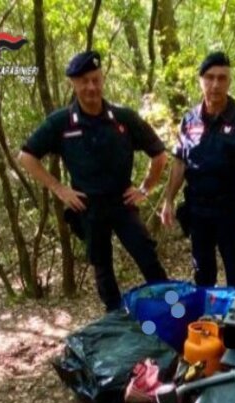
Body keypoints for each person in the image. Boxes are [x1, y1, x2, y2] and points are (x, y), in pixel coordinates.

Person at [18, 50, 169, 312]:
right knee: (103, 269)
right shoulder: (62, 122)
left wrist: (145, 188)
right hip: (88, 208)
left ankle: (172, 312)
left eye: (96, 80)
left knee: (148, 257)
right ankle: (117, 323)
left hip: (123, 202)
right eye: (84, 81)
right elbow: (26, 156)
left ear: (103, 80)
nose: (91, 87)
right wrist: (59, 188)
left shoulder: (123, 118)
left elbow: (159, 154)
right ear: (73, 84)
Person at [160, 51, 235, 288]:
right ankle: (205, 323)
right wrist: (168, 200)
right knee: (202, 272)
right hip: (197, 209)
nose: (215, 84)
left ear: (229, 82)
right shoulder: (189, 120)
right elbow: (179, 162)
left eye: (222, 78)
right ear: (200, 80)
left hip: (231, 209)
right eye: (209, 77)